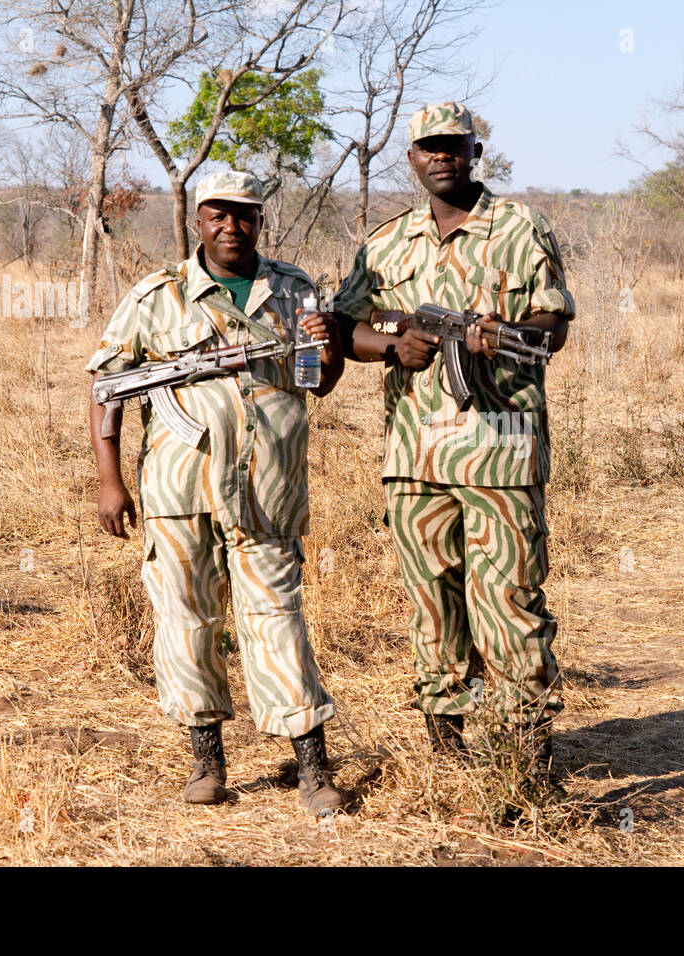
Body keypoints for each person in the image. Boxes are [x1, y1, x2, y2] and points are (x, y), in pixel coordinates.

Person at [85, 170, 346, 816]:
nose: (232, 227)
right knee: (185, 622)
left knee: (278, 621)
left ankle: (312, 767)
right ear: (199, 221)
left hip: (267, 489)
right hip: (178, 493)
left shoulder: (293, 289)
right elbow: (105, 390)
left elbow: (318, 383)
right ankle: (208, 763)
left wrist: (328, 347)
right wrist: (109, 479)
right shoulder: (157, 296)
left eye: (245, 215)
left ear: (262, 221)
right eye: (218, 216)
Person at [330, 102, 574, 773]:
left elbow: (554, 327)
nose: (443, 157)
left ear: (474, 151)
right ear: (412, 158)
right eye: (429, 147)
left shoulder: (519, 228)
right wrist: (391, 347)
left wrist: (502, 339)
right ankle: (446, 744)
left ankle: (526, 751)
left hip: (501, 451)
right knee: (432, 599)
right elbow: (344, 328)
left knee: (509, 599)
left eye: (455, 146)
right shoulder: (386, 243)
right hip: (415, 456)